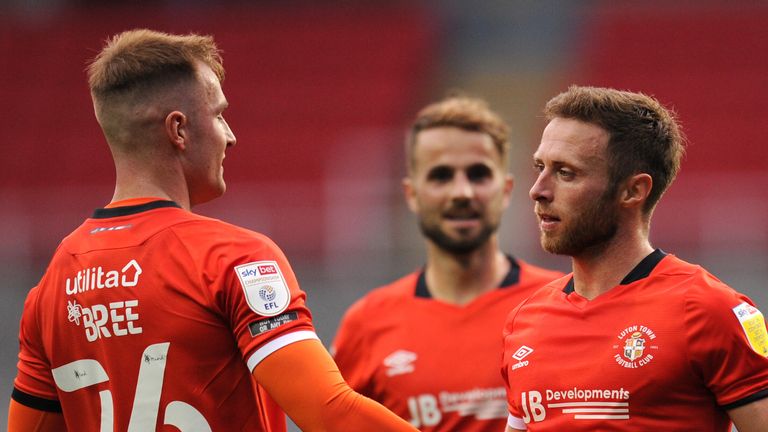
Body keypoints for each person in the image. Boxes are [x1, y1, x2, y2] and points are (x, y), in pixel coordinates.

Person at [8, 29, 419, 432]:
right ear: (179, 130)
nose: (231, 136)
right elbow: (330, 413)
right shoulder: (233, 258)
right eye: (219, 115)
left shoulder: (52, 285)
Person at [501, 85, 768, 431]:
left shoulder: (707, 310)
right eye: (540, 167)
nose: (538, 190)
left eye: (566, 173)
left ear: (633, 191)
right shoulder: (525, 321)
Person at [331, 96, 563, 431]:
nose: (462, 192)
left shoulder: (561, 303)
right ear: (411, 194)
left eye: (478, 174)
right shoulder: (366, 325)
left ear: (507, 189)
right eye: (441, 176)